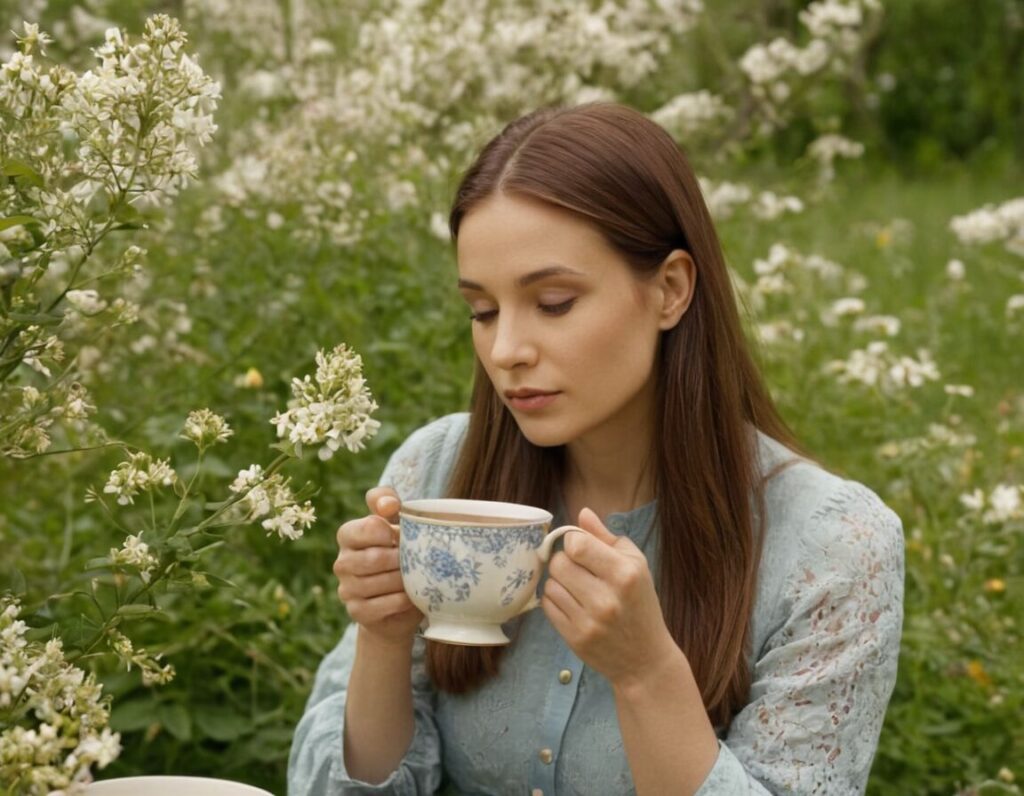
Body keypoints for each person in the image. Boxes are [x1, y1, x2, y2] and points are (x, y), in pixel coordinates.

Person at [287, 102, 904, 795]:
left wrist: (647, 674)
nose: (507, 350)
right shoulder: (437, 472)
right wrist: (383, 635)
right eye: (482, 311)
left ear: (670, 289)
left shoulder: (833, 549)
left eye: (553, 302)